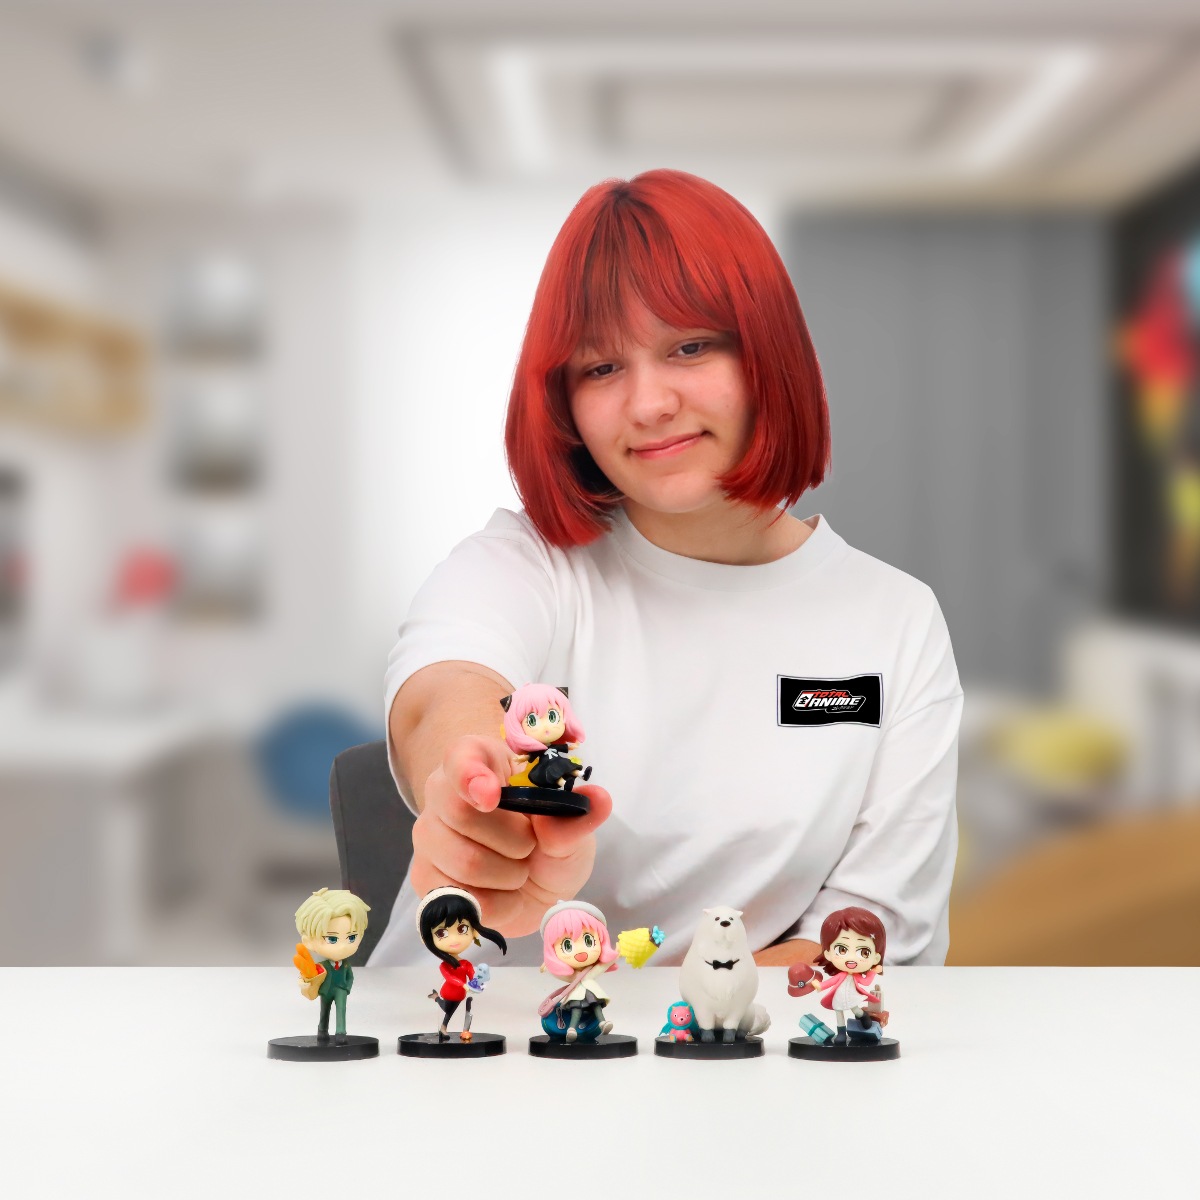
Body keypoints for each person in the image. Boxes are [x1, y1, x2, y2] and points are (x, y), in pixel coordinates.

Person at [370, 168, 962, 969]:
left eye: (689, 347)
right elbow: (442, 695)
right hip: (457, 1031)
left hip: (728, 1044)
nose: (648, 405)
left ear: (768, 355)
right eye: (600, 368)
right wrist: (476, 786)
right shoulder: (525, 564)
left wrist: (676, 1015)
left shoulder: (895, 621)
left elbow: (866, 945)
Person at [416, 885, 507, 1040]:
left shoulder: (465, 964)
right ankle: (440, 1016)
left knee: (450, 1010)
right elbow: (450, 978)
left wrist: (476, 983)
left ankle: (441, 1014)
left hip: (461, 994)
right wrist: (464, 984)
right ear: (427, 939)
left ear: (474, 931)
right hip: (449, 991)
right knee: (447, 1009)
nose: (454, 939)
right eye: (441, 933)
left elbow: (472, 974)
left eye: (462, 929)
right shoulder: (445, 965)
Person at [294, 888, 370, 1044]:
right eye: (332, 939)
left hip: (341, 990)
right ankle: (322, 1030)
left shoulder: (346, 965)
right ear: (308, 941)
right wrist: (307, 982)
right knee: (324, 1010)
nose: (342, 947)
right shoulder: (322, 966)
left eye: (351, 937)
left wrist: (347, 988)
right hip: (325, 991)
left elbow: (350, 977)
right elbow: (312, 976)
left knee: (341, 1010)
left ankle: (341, 1032)